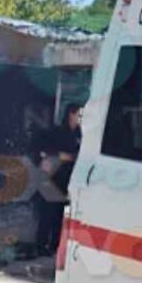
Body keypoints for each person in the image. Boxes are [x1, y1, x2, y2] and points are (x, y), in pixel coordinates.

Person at [32, 103, 82, 256]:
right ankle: (40, 246)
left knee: (61, 216)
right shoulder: (58, 132)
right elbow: (43, 152)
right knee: (47, 214)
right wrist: (60, 155)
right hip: (52, 178)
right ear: (70, 115)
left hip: (68, 180)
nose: (81, 119)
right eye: (79, 115)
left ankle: (55, 245)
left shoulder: (81, 135)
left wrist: (70, 157)